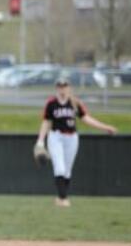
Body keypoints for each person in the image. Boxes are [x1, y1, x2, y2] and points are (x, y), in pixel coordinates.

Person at [35, 76, 117, 207]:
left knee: (67, 170)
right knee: (59, 168)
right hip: (56, 137)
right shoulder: (51, 103)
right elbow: (46, 122)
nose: (62, 89)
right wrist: (40, 141)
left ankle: (60, 198)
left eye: (65, 86)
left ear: (69, 88)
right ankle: (64, 198)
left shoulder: (75, 103)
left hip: (72, 138)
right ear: (56, 88)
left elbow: (86, 119)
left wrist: (105, 127)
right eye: (60, 87)